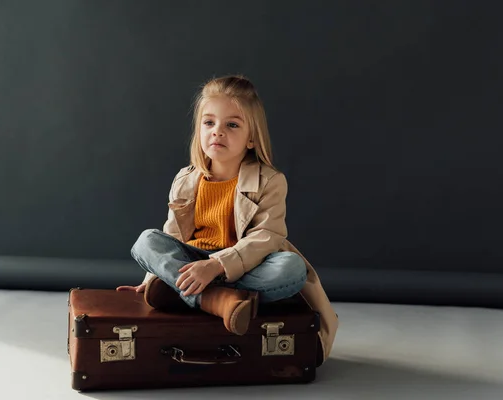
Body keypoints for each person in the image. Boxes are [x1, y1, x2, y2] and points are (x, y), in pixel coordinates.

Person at [117, 75, 338, 364]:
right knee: (147, 240)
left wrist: (216, 266)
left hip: (243, 265)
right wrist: (151, 277)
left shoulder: (270, 181)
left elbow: (268, 236)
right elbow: (172, 236)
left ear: (251, 138)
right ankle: (218, 301)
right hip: (193, 259)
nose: (217, 132)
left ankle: (191, 294)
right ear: (199, 131)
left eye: (232, 125)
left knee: (291, 269)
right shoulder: (186, 179)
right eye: (209, 123)